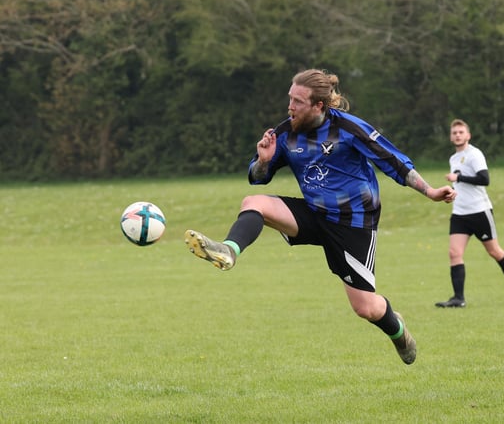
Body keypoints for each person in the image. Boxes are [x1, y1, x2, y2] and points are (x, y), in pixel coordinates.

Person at [184, 68, 456, 365]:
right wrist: (262, 161)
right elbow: (259, 177)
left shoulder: (349, 129)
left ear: (319, 106)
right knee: (254, 202)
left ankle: (398, 331)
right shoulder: (285, 132)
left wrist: (429, 191)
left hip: (354, 225)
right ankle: (229, 250)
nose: (290, 107)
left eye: (298, 102)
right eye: (290, 99)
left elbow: (393, 161)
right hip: (314, 214)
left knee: (366, 308)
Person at [435, 119, 504, 308]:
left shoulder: (475, 154)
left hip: (479, 211)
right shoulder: (453, 158)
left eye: (461, 132)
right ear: (451, 137)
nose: (457, 135)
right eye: (454, 133)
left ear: (468, 135)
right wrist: (451, 192)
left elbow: (484, 179)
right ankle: (458, 298)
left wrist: (458, 177)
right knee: (454, 253)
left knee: (494, 251)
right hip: (459, 213)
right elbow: (460, 184)